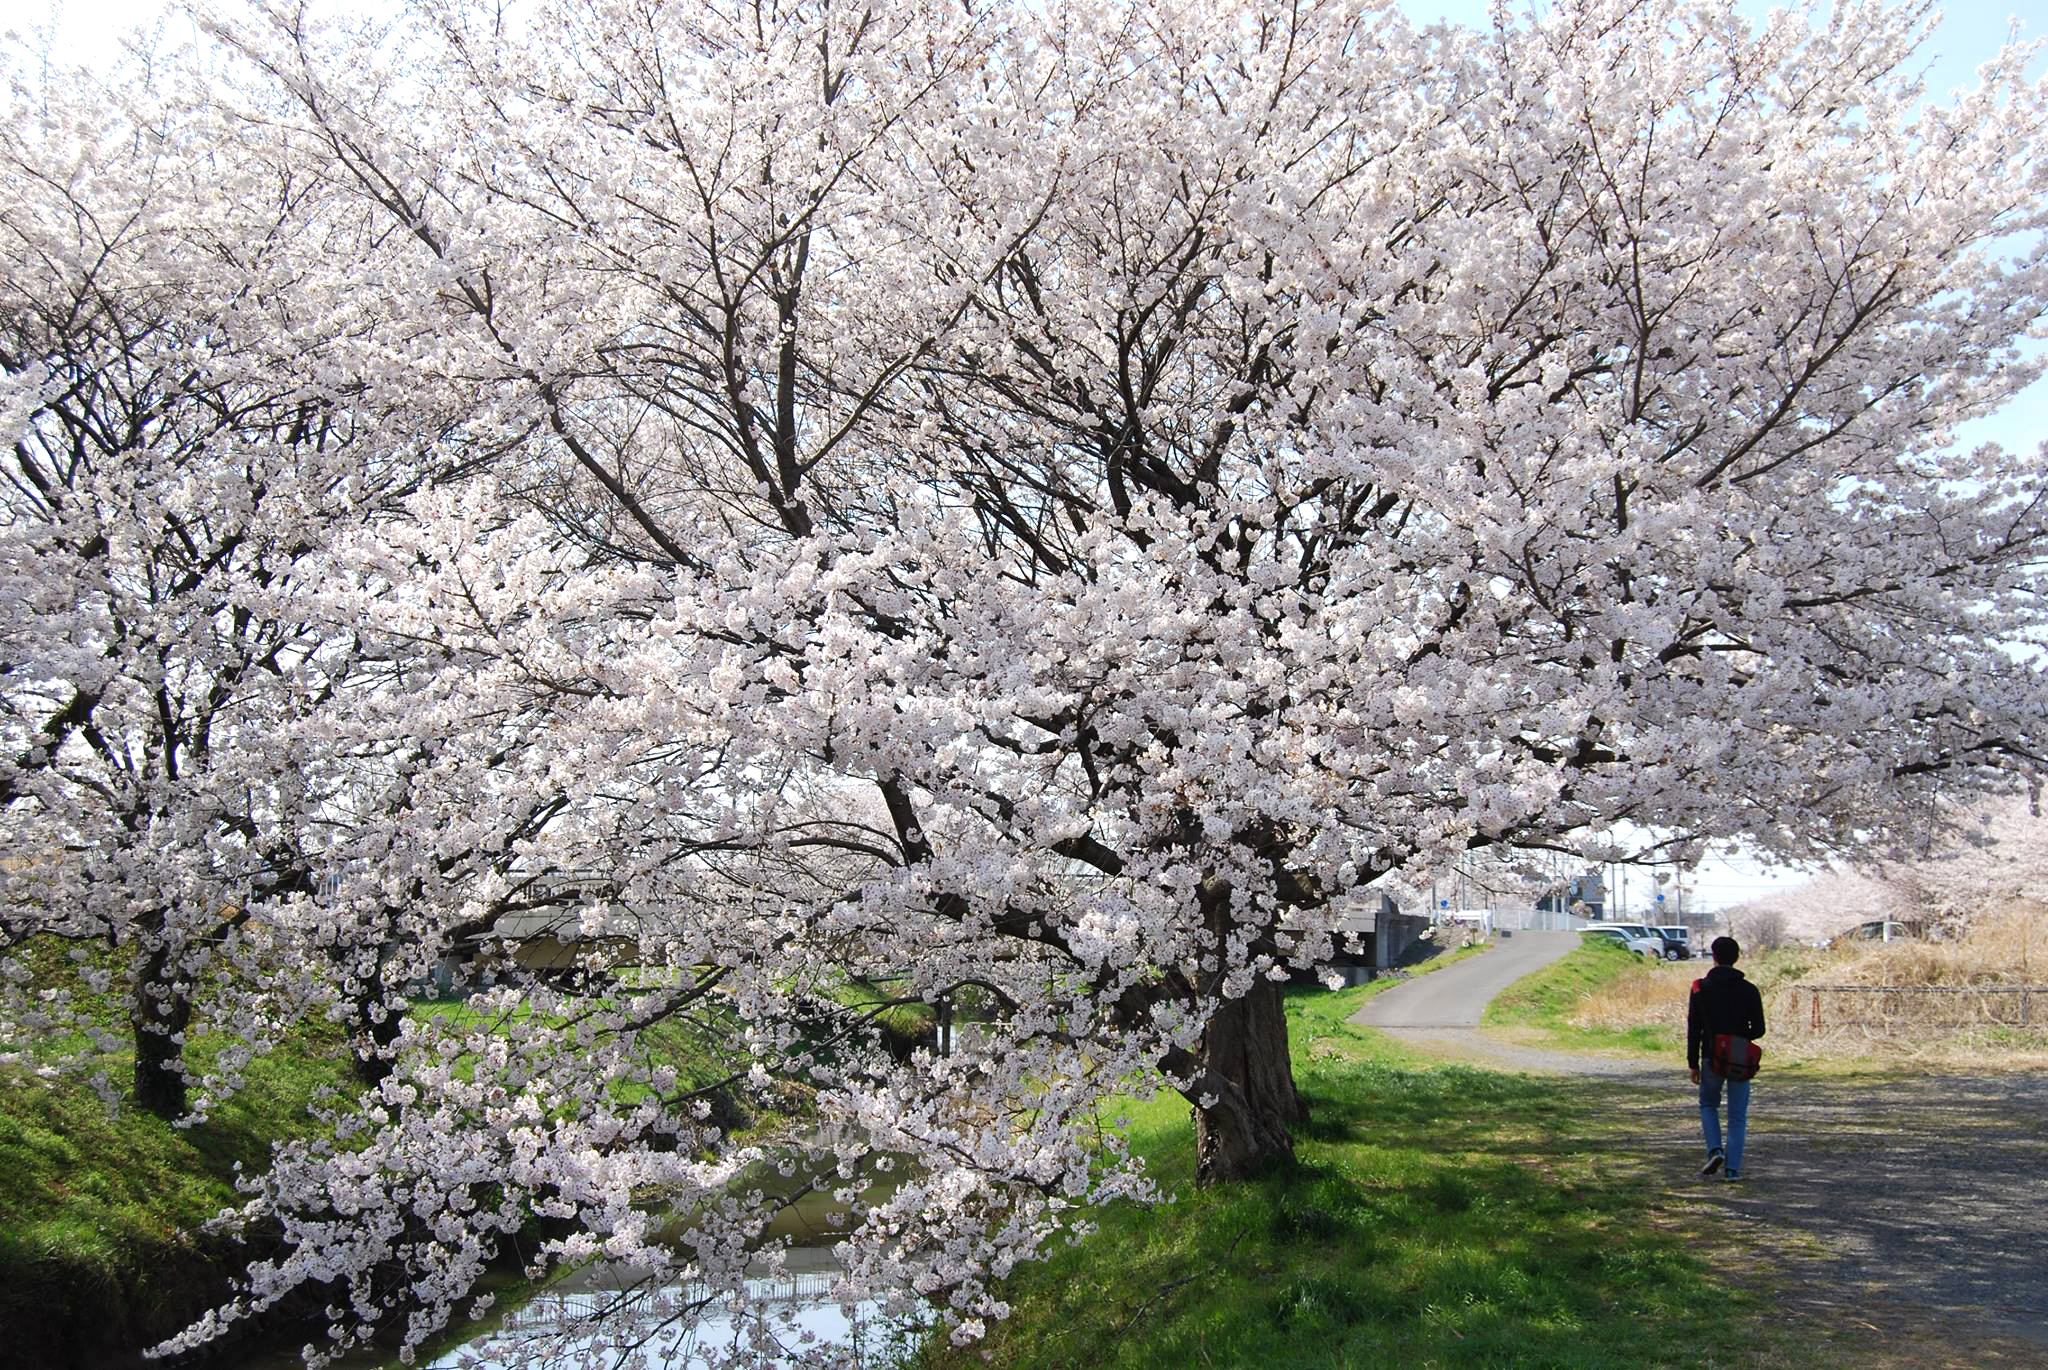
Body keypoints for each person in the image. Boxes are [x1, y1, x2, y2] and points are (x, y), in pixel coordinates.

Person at [1687, 935, 1765, 1181]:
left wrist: (1693, 1063)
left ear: (1714, 957)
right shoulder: (1749, 989)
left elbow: (1694, 1028)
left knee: (1708, 1105)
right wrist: (1740, 1036)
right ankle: (1732, 1170)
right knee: (1737, 1116)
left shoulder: (1701, 988)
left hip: (1711, 1055)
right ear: (1737, 957)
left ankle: (1715, 1149)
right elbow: (1759, 1029)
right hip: (1740, 1057)